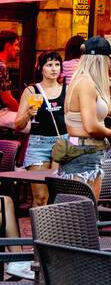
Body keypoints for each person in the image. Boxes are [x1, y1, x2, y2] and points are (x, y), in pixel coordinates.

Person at [59, 37, 111, 191]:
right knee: (85, 210)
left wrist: (110, 89)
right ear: (100, 60)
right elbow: (91, 126)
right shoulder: (85, 83)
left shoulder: (85, 81)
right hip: (84, 149)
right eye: (110, 60)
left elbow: (100, 113)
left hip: (87, 149)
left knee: (84, 209)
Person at [14, 51, 65, 206]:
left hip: (62, 143)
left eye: (57, 65)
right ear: (40, 68)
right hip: (38, 145)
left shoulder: (67, 90)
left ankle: (58, 230)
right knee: (40, 197)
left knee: (58, 197)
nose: (54, 69)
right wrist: (28, 113)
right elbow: (18, 125)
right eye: (49, 65)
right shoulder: (31, 91)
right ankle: (39, 230)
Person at [0, 31, 21, 128]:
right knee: (32, 124)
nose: (18, 49)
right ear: (8, 46)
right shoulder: (1, 66)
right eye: (16, 45)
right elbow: (7, 99)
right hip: (1, 113)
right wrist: (22, 113)